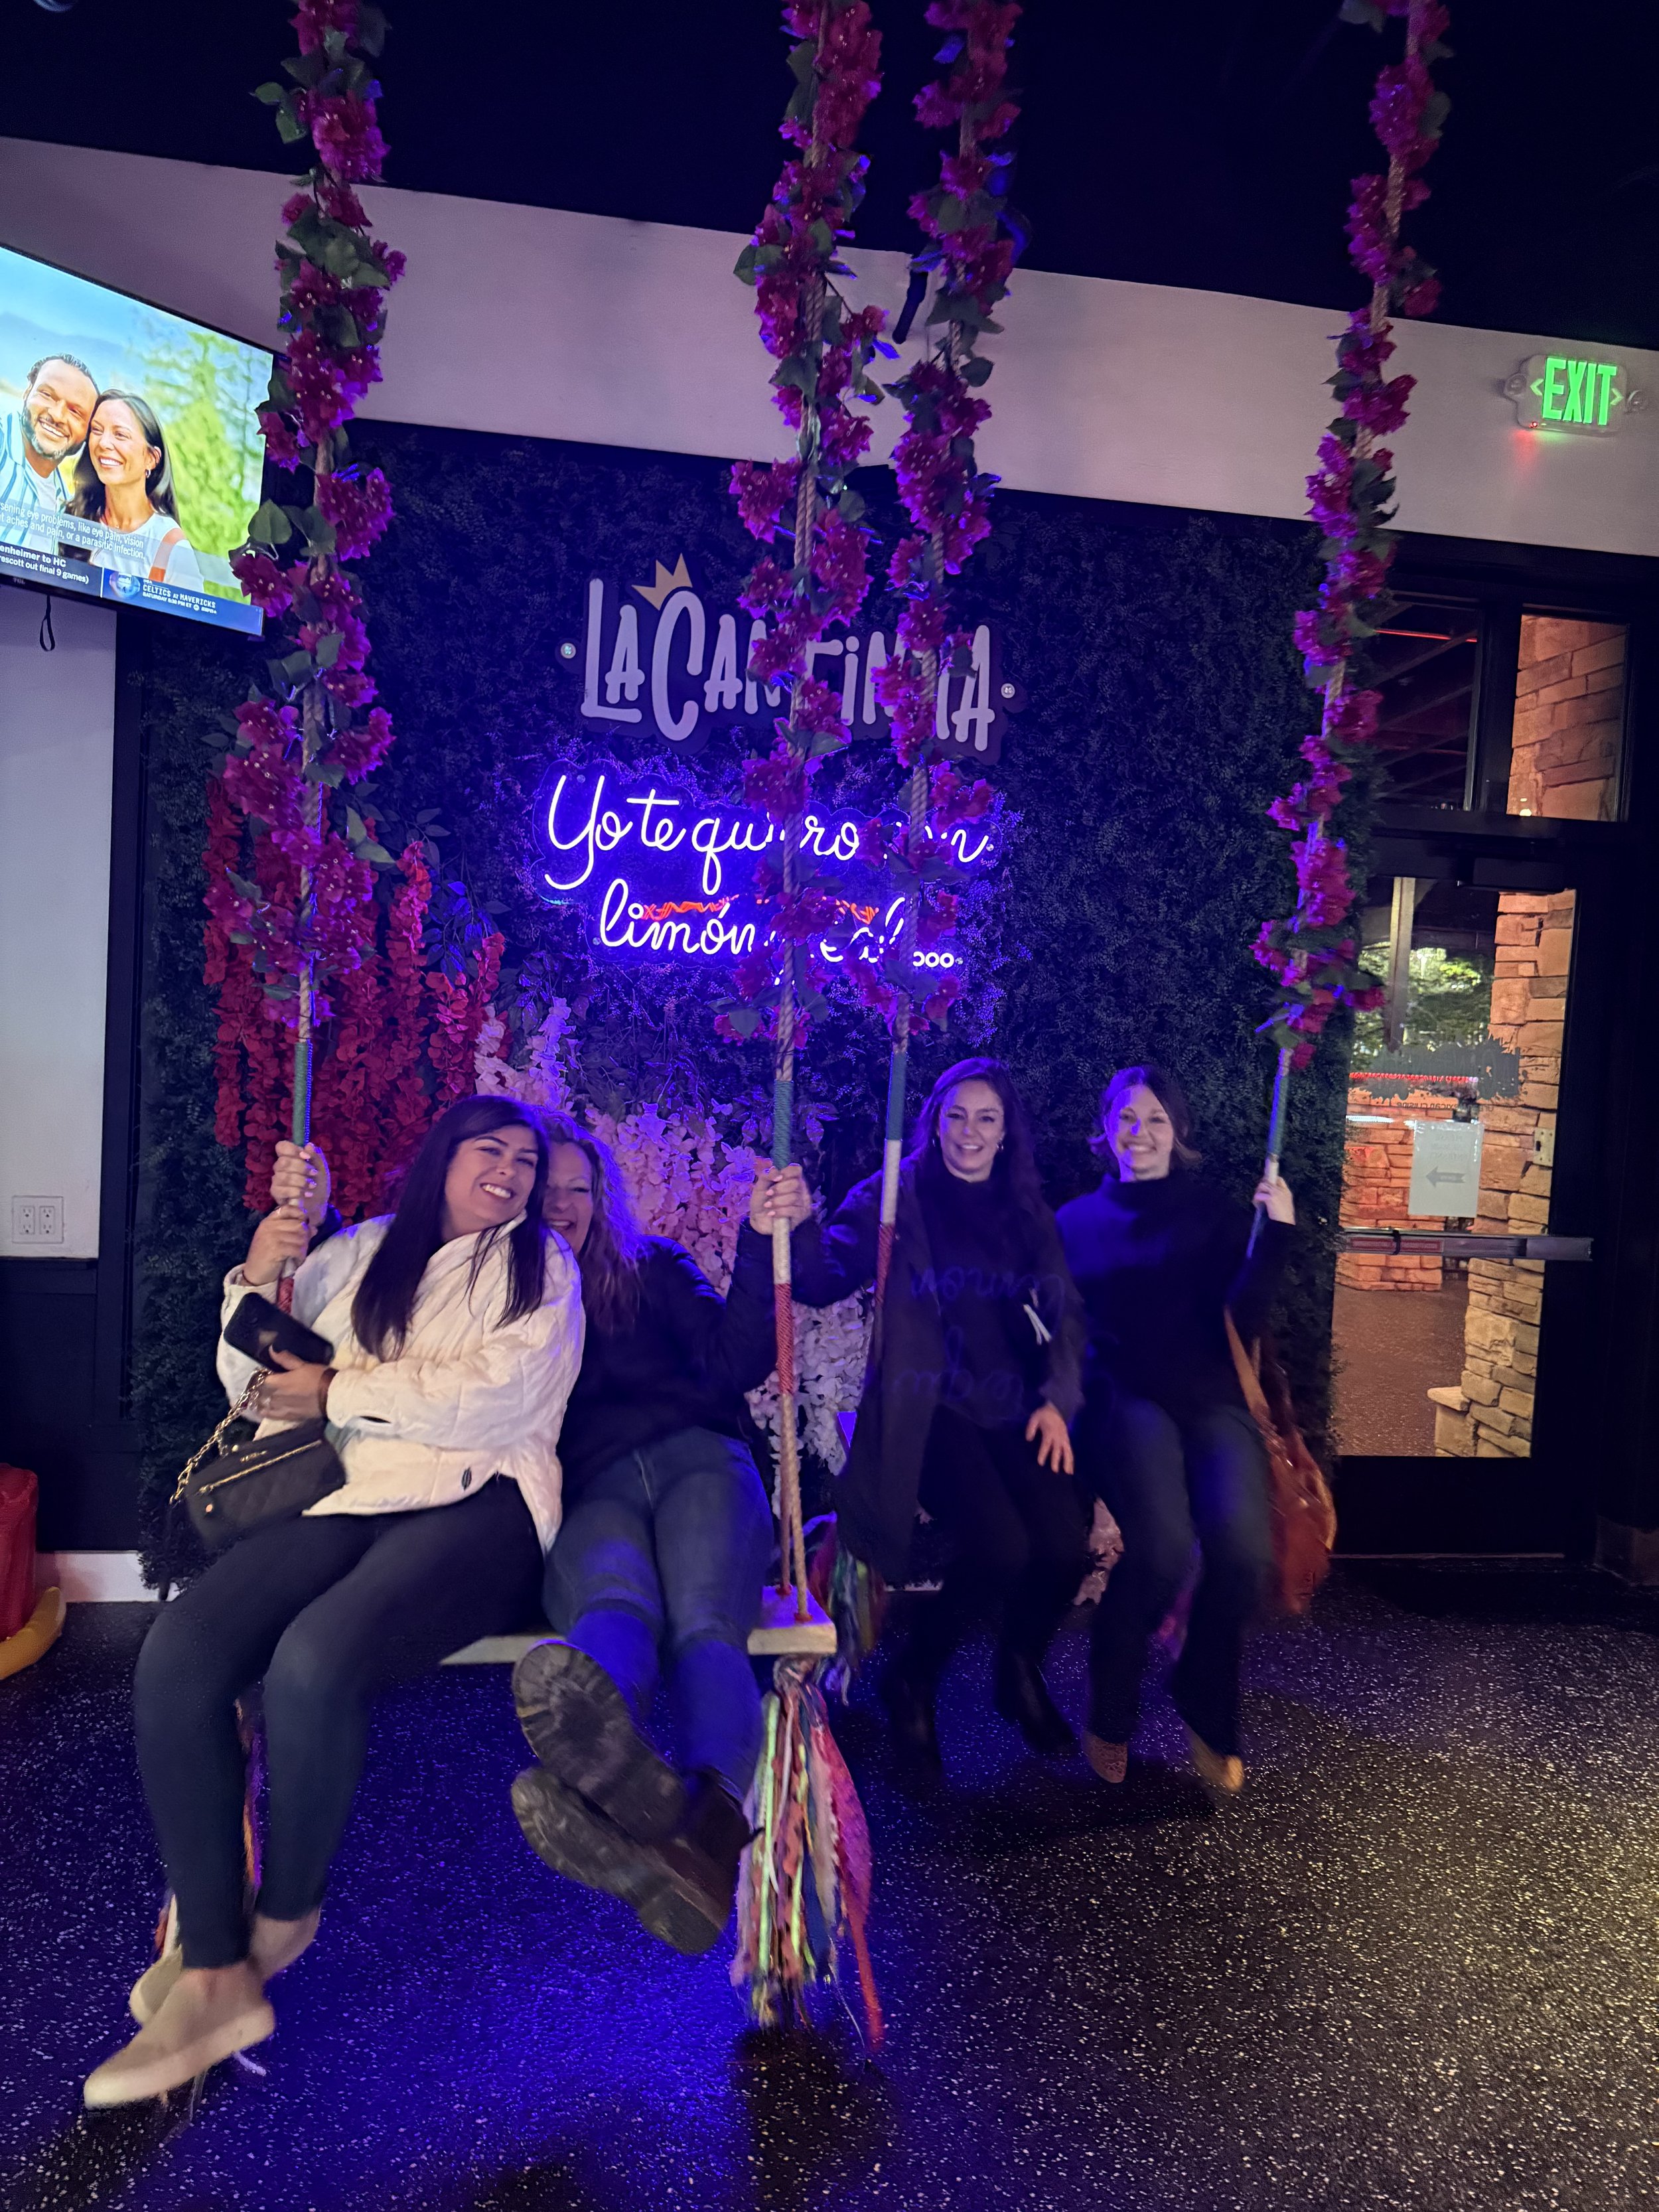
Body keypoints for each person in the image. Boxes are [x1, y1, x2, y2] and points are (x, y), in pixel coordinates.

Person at [83, 1097, 584, 2109]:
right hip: (349, 1491)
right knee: (182, 1650)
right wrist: (259, 1272)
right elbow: (257, 1380)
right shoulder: (358, 1252)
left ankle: (284, 1918)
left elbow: (497, 1397)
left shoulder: (542, 1267)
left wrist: (339, 1390)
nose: (510, 1171)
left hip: (480, 1501)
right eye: (489, 1149)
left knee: (314, 1660)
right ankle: (215, 1965)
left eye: (527, 1161)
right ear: (442, 1156)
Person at [509, 1116, 814, 1955]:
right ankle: (616, 1774)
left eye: (578, 1188)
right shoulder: (505, 1295)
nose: (562, 1203)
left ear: (601, 1197)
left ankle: (679, 1815)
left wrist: (759, 1241)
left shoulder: (654, 1267)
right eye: (547, 1190)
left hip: (699, 1457)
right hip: (592, 1480)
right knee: (614, 1600)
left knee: (704, 1622)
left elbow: (734, 1360)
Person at [792, 1057, 1088, 1777]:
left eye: (986, 1118)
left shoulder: (1024, 1209)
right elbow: (821, 1277)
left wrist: (1057, 1398)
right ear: (934, 1120)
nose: (969, 1132)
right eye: (955, 1115)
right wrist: (795, 1220)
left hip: (1015, 1406)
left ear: (1006, 1131)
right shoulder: (896, 1196)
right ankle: (913, 1678)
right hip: (931, 1409)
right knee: (1001, 1549)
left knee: (1064, 1546)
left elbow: (1064, 1313)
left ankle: (1018, 1664)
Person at [1055, 1065, 1295, 1796]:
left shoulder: (1214, 1214)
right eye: (1127, 1119)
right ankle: (1112, 1707)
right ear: (1106, 1130)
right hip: (1123, 1399)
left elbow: (1244, 1316)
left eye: (1156, 1119)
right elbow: (1060, 1332)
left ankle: (1202, 1694)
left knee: (1243, 1554)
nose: (1141, 1133)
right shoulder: (1074, 1223)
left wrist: (1276, 1233)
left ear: (1177, 1132)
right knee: (1159, 1551)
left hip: (1210, 1397)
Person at [60, 389, 202, 589]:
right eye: (97, 430)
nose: (103, 443)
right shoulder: (71, 515)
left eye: (120, 434)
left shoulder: (172, 548)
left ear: (151, 459)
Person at [0, 352, 99, 554]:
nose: (57, 415)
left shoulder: (66, 503)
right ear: (27, 393)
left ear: (88, 432)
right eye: (47, 395)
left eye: (75, 412)